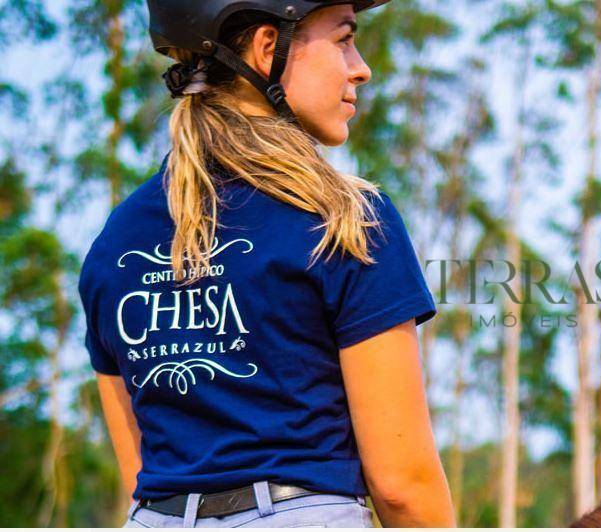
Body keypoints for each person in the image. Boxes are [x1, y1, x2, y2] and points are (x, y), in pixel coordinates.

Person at [77, 0, 456, 527]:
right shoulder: (345, 219)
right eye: (344, 38)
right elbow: (401, 488)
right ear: (266, 48)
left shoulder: (113, 241)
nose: (360, 67)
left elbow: (140, 470)